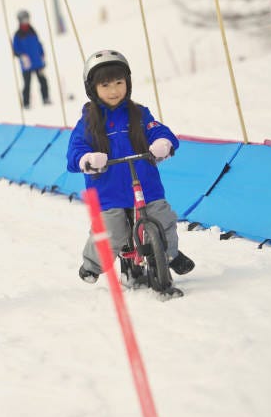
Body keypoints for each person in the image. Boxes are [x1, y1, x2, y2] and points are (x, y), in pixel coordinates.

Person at [66, 49, 194, 284]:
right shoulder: (88, 121)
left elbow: (158, 130)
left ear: (128, 83)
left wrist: (162, 142)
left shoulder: (139, 113)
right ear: (92, 89)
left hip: (146, 184)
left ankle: (170, 254)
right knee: (110, 231)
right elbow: (75, 150)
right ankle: (93, 264)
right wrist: (87, 159)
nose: (113, 90)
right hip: (109, 191)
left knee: (163, 218)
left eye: (118, 82)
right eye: (105, 85)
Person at [12, 9, 50, 109]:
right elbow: (15, 49)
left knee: (43, 81)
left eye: (27, 19)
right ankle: (26, 103)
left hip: (37, 62)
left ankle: (46, 98)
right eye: (24, 19)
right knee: (27, 84)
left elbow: (38, 44)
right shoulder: (17, 35)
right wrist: (22, 56)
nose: (26, 21)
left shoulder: (33, 31)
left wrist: (42, 54)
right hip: (27, 65)